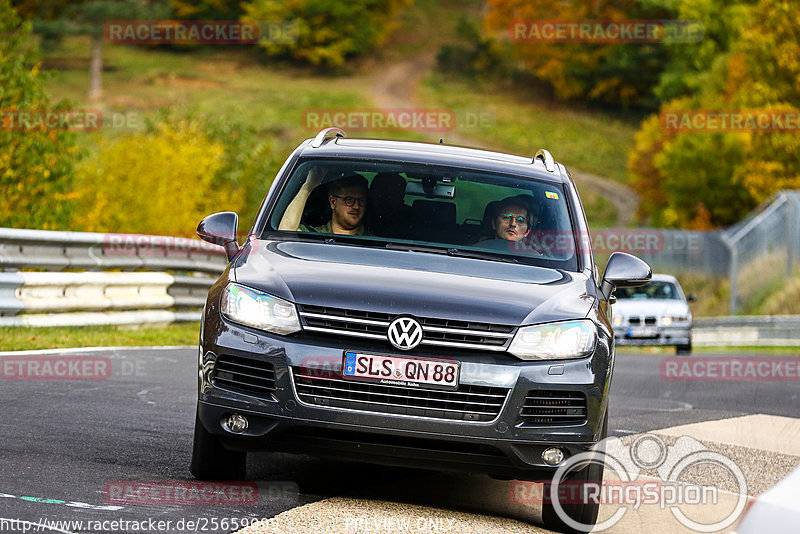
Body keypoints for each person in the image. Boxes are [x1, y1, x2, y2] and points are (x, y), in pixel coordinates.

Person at [278, 168, 372, 235]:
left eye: (361, 200)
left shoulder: (374, 243)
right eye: (349, 200)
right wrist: (308, 187)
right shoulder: (314, 235)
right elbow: (285, 231)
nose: (356, 206)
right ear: (333, 202)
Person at [365, 171, 412, 237]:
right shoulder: (357, 214)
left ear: (402, 199)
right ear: (371, 193)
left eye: (394, 194)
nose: (387, 197)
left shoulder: (411, 223)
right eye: (382, 191)